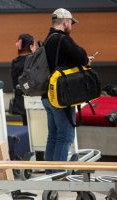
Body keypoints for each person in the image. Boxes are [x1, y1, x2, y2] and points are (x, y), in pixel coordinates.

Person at [41, 8, 95, 171]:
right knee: (65, 136)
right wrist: (87, 59)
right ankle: (58, 176)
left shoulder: (47, 39)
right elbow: (81, 56)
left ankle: (50, 174)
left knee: (53, 136)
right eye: (71, 23)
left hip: (47, 95)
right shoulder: (63, 40)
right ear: (65, 22)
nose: (71, 26)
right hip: (61, 96)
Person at [10, 33, 36, 125]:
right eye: (35, 45)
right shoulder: (32, 60)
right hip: (33, 100)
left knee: (26, 126)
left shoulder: (15, 62)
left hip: (20, 101)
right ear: (31, 46)